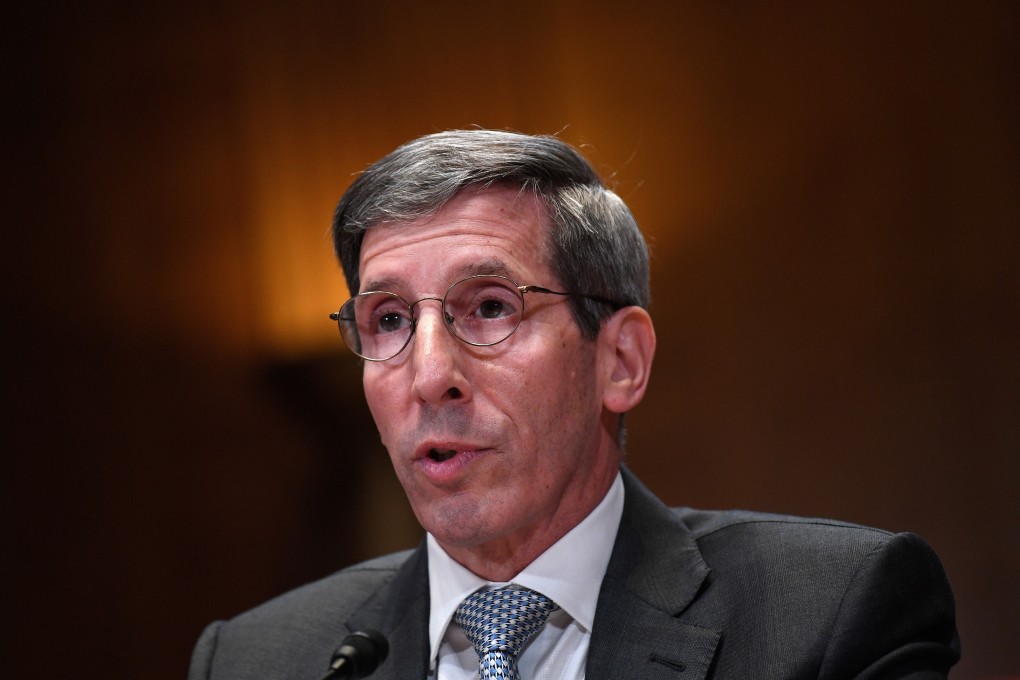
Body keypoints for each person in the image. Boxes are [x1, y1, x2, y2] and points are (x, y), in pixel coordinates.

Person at [188, 130, 960, 679]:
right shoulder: (260, 660)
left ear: (619, 360)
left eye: (489, 307)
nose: (429, 374)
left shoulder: (829, 615)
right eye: (388, 320)